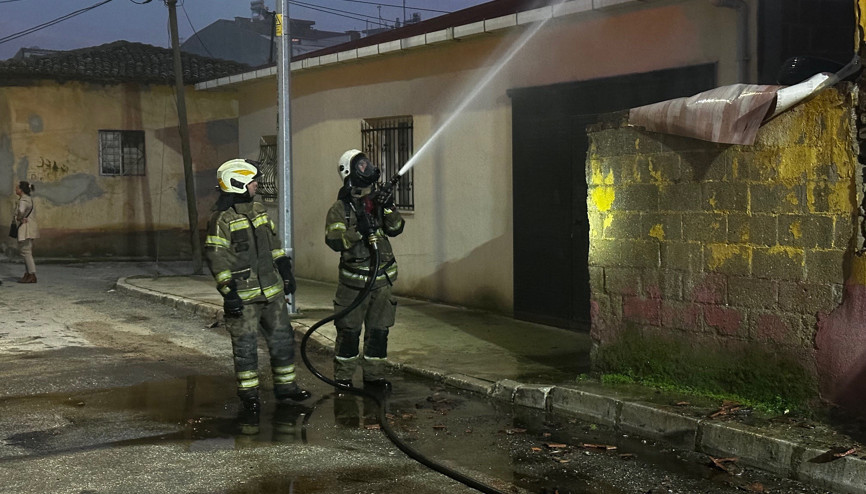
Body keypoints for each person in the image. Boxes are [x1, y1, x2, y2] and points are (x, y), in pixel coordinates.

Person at [204, 159, 311, 412]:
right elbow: (217, 259)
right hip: (244, 297)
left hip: (272, 293)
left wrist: (285, 270)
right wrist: (229, 293)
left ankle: (286, 387)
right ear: (237, 183)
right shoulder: (221, 220)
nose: (256, 185)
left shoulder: (259, 210)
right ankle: (249, 395)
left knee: (282, 340)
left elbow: (274, 245)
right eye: (252, 181)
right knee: (245, 348)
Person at [325, 149, 405, 391]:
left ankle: (374, 377)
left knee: (379, 332)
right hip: (353, 286)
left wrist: (388, 207)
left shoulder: (378, 202)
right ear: (349, 172)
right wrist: (359, 230)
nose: (367, 167)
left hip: (382, 282)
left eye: (366, 163)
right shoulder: (340, 209)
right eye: (361, 165)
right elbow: (335, 241)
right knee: (349, 332)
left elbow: (396, 228)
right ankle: (343, 378)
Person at [14, 181, 39, 284]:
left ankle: (32, 274)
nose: (16, 189)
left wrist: (19, 218)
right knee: (26, 252)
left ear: (21, 190)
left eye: (17, 188)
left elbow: (21, 211)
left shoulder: (23, 200)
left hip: (26, 229)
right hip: (30, 227)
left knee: (26, 252)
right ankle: (28, 273)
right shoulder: (28, 199)